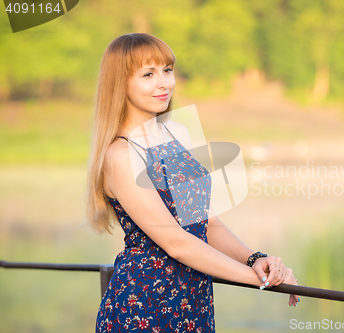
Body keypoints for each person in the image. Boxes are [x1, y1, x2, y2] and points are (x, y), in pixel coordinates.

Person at [84, 32, 300, 332]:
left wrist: (256, 259)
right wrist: (265, 280)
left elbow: (206, 223)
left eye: (167, 70)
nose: (164, 83)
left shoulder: (178, 134)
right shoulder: (120, 153)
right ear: (120, 83)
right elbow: (177, 243)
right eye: (148, 74)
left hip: (194, 301)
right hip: (142, 307)